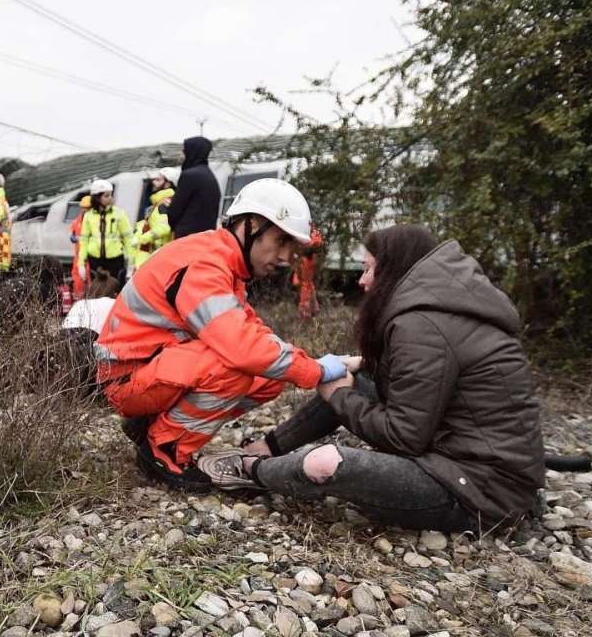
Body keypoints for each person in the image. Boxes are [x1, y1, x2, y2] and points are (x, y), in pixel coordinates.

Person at [197, 225, 546, 532]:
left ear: (393, 271)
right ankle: (268, 448)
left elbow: (404, 436)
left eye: (368, 269)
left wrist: (340, 396)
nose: (362, 281)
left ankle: (252, 470)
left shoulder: (422, 325)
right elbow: (426, 382)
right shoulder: (441, 311)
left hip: (479, 493)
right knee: (352, 381)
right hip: (470, 461)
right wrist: (358, 373)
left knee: (326, 461)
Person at [95, 178, 353, 491]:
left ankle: (154, 424)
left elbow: (251, 331)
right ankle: (165, 449)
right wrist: (317, 371)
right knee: (236, 366)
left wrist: (305, 362)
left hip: (145, 370)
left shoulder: (220, 262)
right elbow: (243, 348)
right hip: (127, 380)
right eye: (281, 241)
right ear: (251, 225)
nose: (286, 258)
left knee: (269, 376)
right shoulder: (206, 264)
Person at [78, 178, 133, 286]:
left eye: (111, 195)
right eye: (106, 195)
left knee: (117, 291)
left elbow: (128, 238)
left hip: (115, 260)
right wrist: (81, 264)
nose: (110, 198)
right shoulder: (88, 216)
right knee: (98, 292)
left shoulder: (119, 214)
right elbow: (83, 241)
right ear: (97, 198)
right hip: (95, 261)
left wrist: (131, 263)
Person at [166, 136, 220, 239]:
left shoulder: (189, 175)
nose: (181, 154)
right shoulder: (209, 175)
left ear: (192, 151)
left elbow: (175, 210)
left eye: (184, 150)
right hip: (205, 237)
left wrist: (173, 228)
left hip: (187, 237)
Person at [131, 167, 179, 271]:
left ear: (167, 184)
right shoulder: (159, 202)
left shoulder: (164, 204)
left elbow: (164, 228)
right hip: (154, 258)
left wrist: (141, 239)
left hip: (156, 258)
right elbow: (148, 223)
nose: (153, 182)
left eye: (158, 180)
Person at [293, 227, 324, 320]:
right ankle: (306, 317)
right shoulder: (309, 260)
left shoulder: (304, 260)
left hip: (306, 283)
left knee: (307, 300)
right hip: (306, 283)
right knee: (307, 301)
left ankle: (307, 316)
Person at [69, 194, 92, 299]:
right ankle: (78, 300)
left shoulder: (94, 221)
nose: (84, 210)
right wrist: (73, 237)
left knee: (91, 280)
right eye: (83, 207)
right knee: (77, 279)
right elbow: (72, 235)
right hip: (79, 257)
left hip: (91, 256)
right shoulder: (77, 221)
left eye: (87, 208)